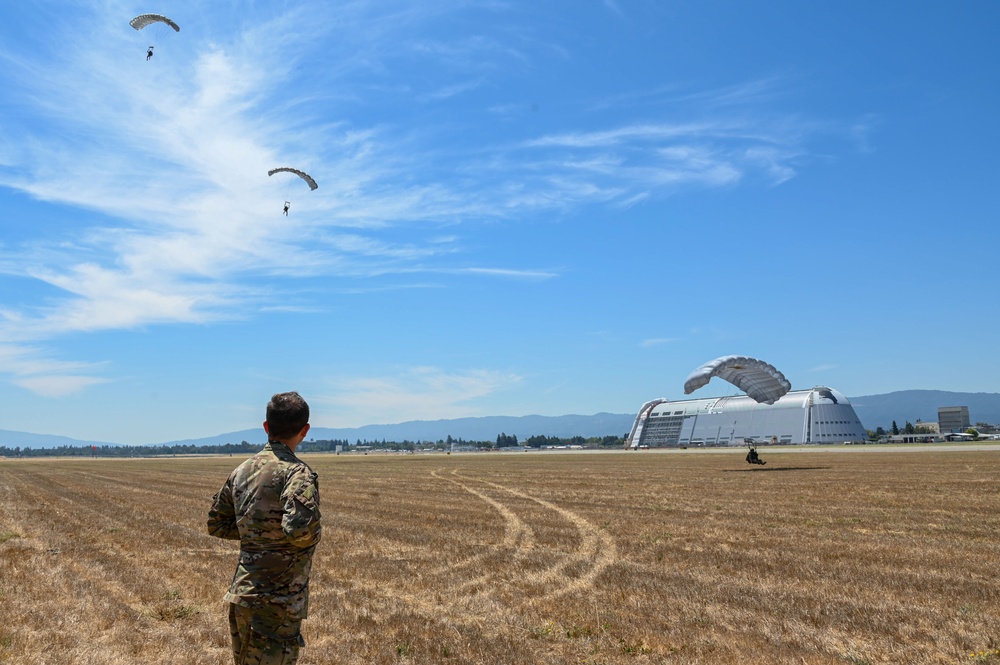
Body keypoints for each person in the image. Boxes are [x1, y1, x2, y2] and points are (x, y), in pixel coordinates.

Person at [207, 391, 322, 665]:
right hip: (277, 603)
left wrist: (255, 530)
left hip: (243, 597)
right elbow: (299, 530)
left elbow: (217, 523)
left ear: (266, 427)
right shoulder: (297, 473)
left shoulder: (242, 471)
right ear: (305, 430)